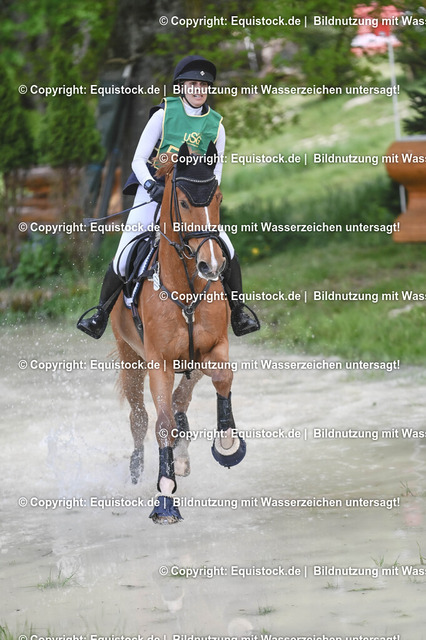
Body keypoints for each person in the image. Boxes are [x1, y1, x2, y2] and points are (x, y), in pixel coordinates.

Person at [77, 55, 260, 339]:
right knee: (124, 254)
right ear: (181, 87)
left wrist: (202, 198)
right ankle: (100, 314)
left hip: (193, 201)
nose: (199, 90)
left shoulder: (217, 126)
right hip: (153, 192)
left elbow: (216, 173)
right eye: (193, 84)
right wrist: (151, 186)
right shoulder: (163, 116)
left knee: (227, 250)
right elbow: (138, 160)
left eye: (203, 85)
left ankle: (238, 312)